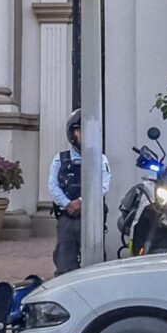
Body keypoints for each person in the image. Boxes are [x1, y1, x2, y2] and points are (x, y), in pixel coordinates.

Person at [47, 111, 110, 275]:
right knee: (65, 254)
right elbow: (53, 186)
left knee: (94, 258)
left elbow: (103, 186)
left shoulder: (100, 159)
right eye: (81, 130)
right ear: (73, 133)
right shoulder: (60, 159)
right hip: (67, 215)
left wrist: (82, 202)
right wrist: (68, 204)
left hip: (92, 215)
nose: (84, 135)